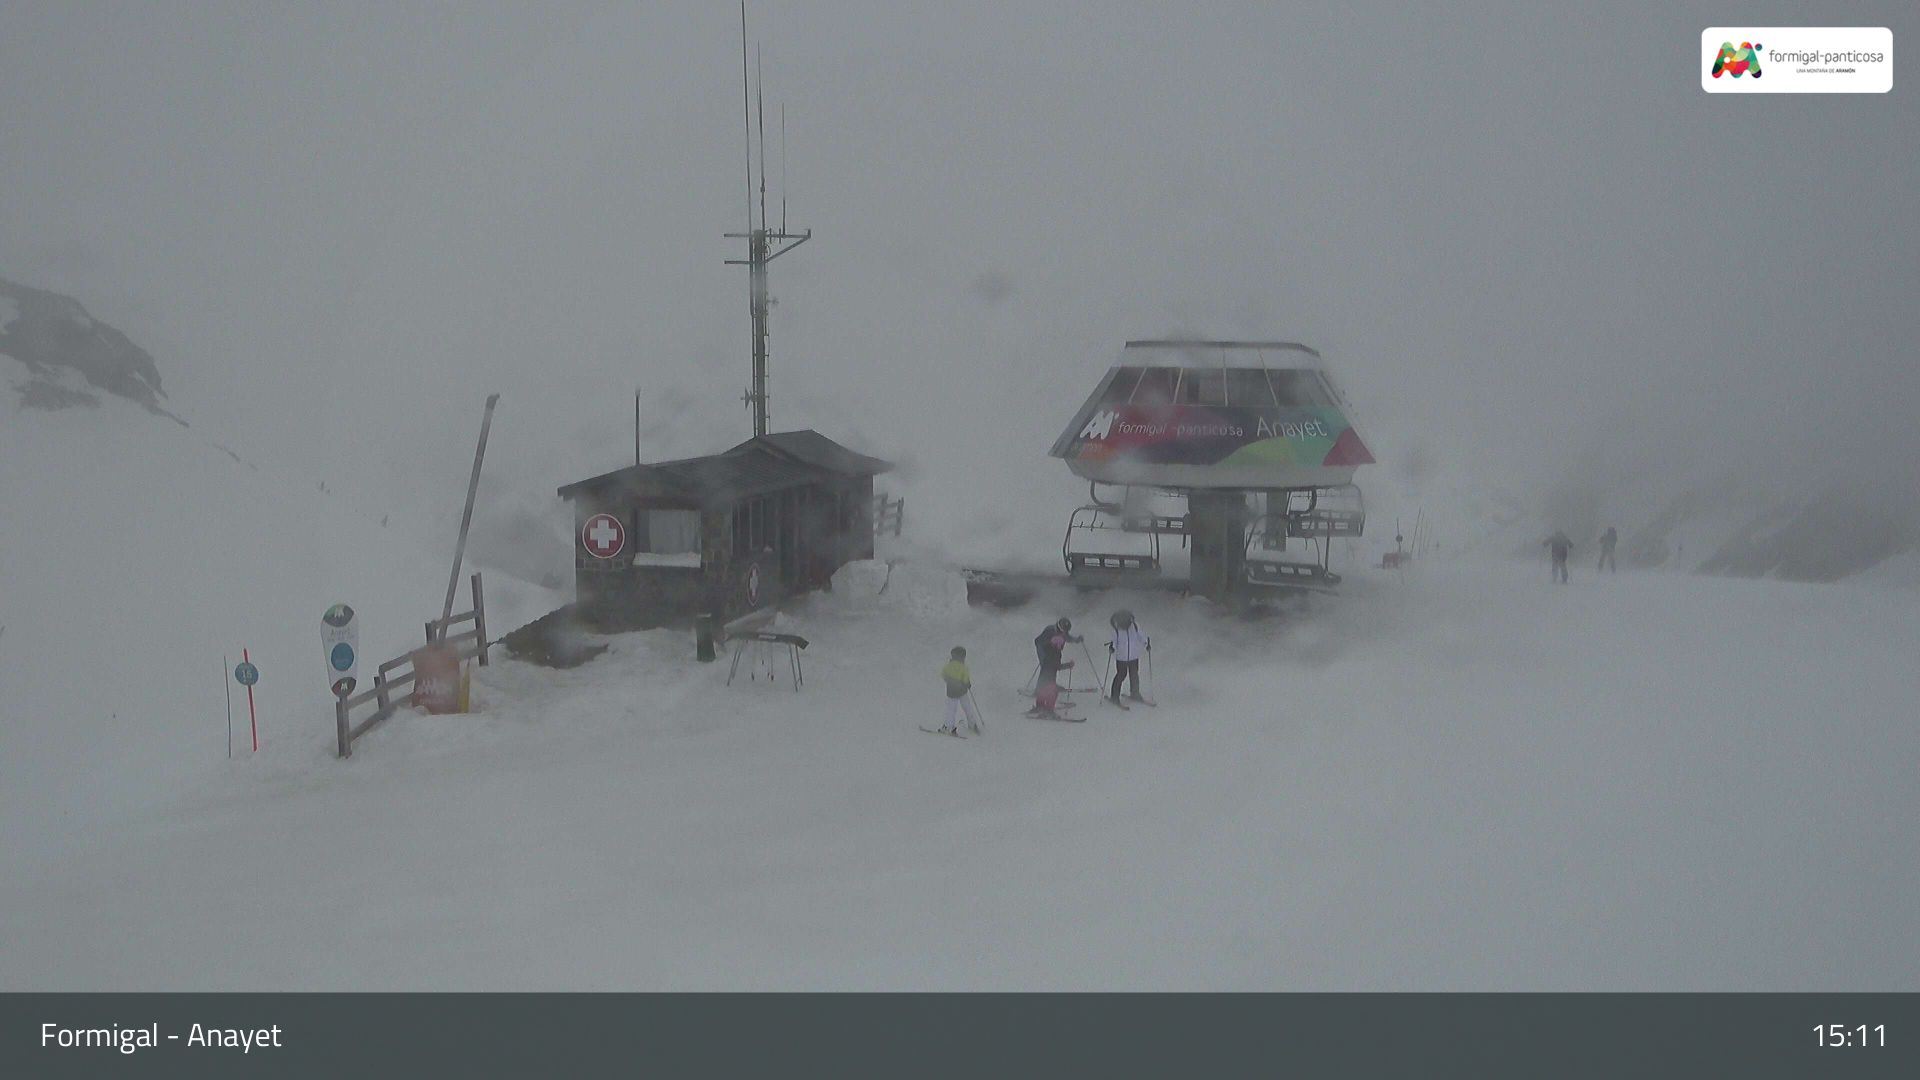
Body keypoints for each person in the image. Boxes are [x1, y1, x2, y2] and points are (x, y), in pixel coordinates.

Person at [1026, 617, 1082, 719]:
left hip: (1048, 661)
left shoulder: (1054, 649)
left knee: (1044, 685)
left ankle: (1040, 705)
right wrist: (1068, 665)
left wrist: (1076, 640)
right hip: (1046, 658)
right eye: (1060, 643)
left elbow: (1067, 638)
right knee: (1052, 690)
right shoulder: (1050, 632)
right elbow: (1038, 642)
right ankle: (1048, 710)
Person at [1107, 610, 1150, 704]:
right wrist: (1112, 648)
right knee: (1121, 675)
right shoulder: (1116, 629)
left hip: (1134, 656)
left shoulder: (1134, 626)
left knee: (1134, 675)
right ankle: (1114, 696)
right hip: (1121, 658)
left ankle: (1135, 693)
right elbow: (1114, 641)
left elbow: (1141, 636)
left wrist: (1146, 643)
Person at [938, 646, 980, 735]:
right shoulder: (963, 667)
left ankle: (949, 727)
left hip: (951, 691)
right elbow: (966, 679)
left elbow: (943, 675)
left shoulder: (948, 666)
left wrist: (949, 680)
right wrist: (967, 684)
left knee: (951, 709)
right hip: (962, 692)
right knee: (967, 707)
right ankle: (972, 725)